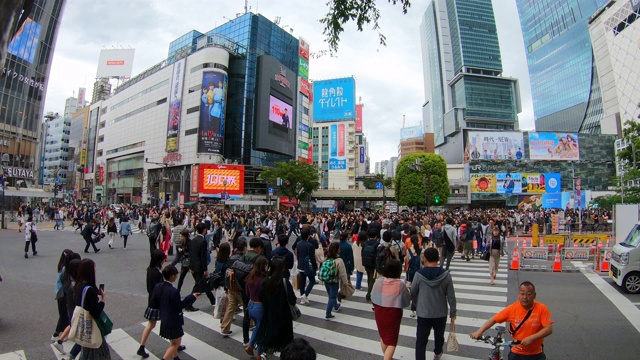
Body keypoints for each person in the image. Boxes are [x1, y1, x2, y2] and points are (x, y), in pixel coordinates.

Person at [471, 281, 553, 360]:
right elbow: (493, 319)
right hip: (517, 353)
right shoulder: (512, 308)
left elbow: (549, 329)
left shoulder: (542, 308)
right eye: (522, 294)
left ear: (534, 295)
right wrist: (479, 331)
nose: (525, 297)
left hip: (536, 354)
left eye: (529, 294)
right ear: (518, 295)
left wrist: (531, 338)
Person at [411, 248, 457, 360]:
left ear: (425, 259)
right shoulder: (446, 275)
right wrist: (453, 312)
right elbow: (451, 295)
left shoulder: (418, 274)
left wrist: (417, 304)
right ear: (438, 258)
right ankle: (437, 353)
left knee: (421, 340)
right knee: (439, 336)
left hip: (423, 312)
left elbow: (413, 291)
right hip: (440, 312)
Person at [151, 265, 199, 360]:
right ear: (172, 276)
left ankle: (176, 357)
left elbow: (154, 301)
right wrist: (191, 297)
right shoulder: (173, 291)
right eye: (176, 275)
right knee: (176, 343)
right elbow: (179, 306)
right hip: (173, 320)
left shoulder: (158, 286)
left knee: (173, 340)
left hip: (164, 317)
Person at [137, 249, 176, 358]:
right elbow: (156, 288)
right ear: (159, 260)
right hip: (159, 302)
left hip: (153, 301)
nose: (164, 260)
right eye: (163, 259)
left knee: (151, 324)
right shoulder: (155, 272)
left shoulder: (151, 269)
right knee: (168, 323)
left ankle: (142, 347)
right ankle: (175, 345)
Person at [256, 258, 297, 356]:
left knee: (271, 339)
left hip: (270, 315)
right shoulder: (284, 282)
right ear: (282, 269)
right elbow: (292, 300)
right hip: (284, 317)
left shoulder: (265, 282)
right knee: (286, 343)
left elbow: (260, 297)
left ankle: (265, 354)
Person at [371, 259, 411, 360]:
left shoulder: (378, 282)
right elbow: (406, 301)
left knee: (383, 336)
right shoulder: (400, 284)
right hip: (393, 313)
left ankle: (387, 356)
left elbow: (373, 297)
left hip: (379, 311)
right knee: (392, 341)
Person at [73, 258, 111, 359]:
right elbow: (96, 312)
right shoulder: (89, 290)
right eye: (94, 267)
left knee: (86, 353)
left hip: (84, 325)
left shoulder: (78, 285)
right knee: (98, 352)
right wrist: (103, 300)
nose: (95, 269)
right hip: (92, 326)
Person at [220, 238, 248, 337]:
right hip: (241, 287)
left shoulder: (231, 258)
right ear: (245, 248)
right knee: (246, 306)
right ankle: (251, 323)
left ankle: (225, 328)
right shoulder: (245, 259)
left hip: (231, 286)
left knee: (230, 307)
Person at [244, 256, 268, 358]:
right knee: (261, 330)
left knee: (258, 327)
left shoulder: (250, 277)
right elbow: (265, 296)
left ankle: (251, 346)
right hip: (259, 306)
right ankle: (258, 353)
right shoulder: (264, 280)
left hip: (251, 304)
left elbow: (247, 293)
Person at [187, 223, 215, 310]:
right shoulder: (203, 241)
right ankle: (189, 303)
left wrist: (191, 266)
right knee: (198, 286)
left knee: (203, 283)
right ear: (204, 230)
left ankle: (212, 300)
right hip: (200, 267)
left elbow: (191, 254)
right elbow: (203, 257)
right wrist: (205, 269)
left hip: (194, 265)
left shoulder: (193, 240)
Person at [51, 249, 73, 355]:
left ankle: (61, 334)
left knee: (64, 314)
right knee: (65, 315)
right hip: (63, 294)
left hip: (59, 293)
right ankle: (56, 335)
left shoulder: (61, 265)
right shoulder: (65, 268)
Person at [323, 242, 349, 319]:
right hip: (334, 281)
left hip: (326, 280)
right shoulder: (339, 260)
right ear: (337, 250)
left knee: (331, 296)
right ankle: (328, 313)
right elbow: (343, 273)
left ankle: (336, 306)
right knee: (332, 297)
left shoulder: (327, 258)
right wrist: (345, 283)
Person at [294, 227, 318, 305]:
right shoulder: (310, 245)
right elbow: (312, 257)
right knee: (312, 281)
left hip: (300, 264)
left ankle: (302, 297)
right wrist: (315, 266)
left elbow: (298, 254)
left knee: (302, 282)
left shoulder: (298, 243)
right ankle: (305, 294)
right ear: (308, 236)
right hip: (308, 265)